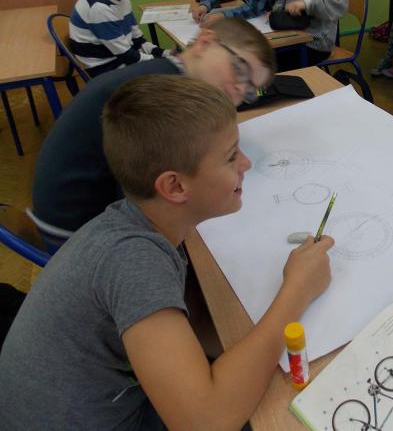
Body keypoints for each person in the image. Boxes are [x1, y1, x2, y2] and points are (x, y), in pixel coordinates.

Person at [0, 75, 334, 430]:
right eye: (231, 156)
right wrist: (296, 291)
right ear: (174, 186)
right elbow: (205, 422)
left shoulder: (139, 224)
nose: (246, 164)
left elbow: (195, 332)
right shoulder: (133, 261)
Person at [32, 17, 276, 245]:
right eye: (239, 69)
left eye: (249, 90)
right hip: (77, 230)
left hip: (86, 210)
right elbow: (148, 200)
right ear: (204, 42)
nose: (239, 89)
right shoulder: (164, 100)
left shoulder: (166, 76)